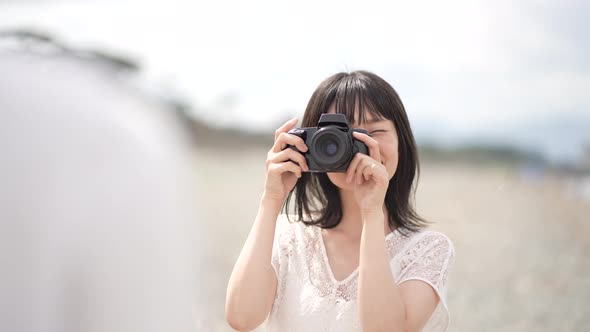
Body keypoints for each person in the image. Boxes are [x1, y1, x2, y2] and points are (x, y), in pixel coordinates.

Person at [225, 71, 455, 332]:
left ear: (402, 141)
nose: (358, 143)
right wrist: (271, 199)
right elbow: (241, 318)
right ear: (310, 143)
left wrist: (371, 212)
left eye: (375, 130)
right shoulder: (288, 236)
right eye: (338, 134)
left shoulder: (428, 250)